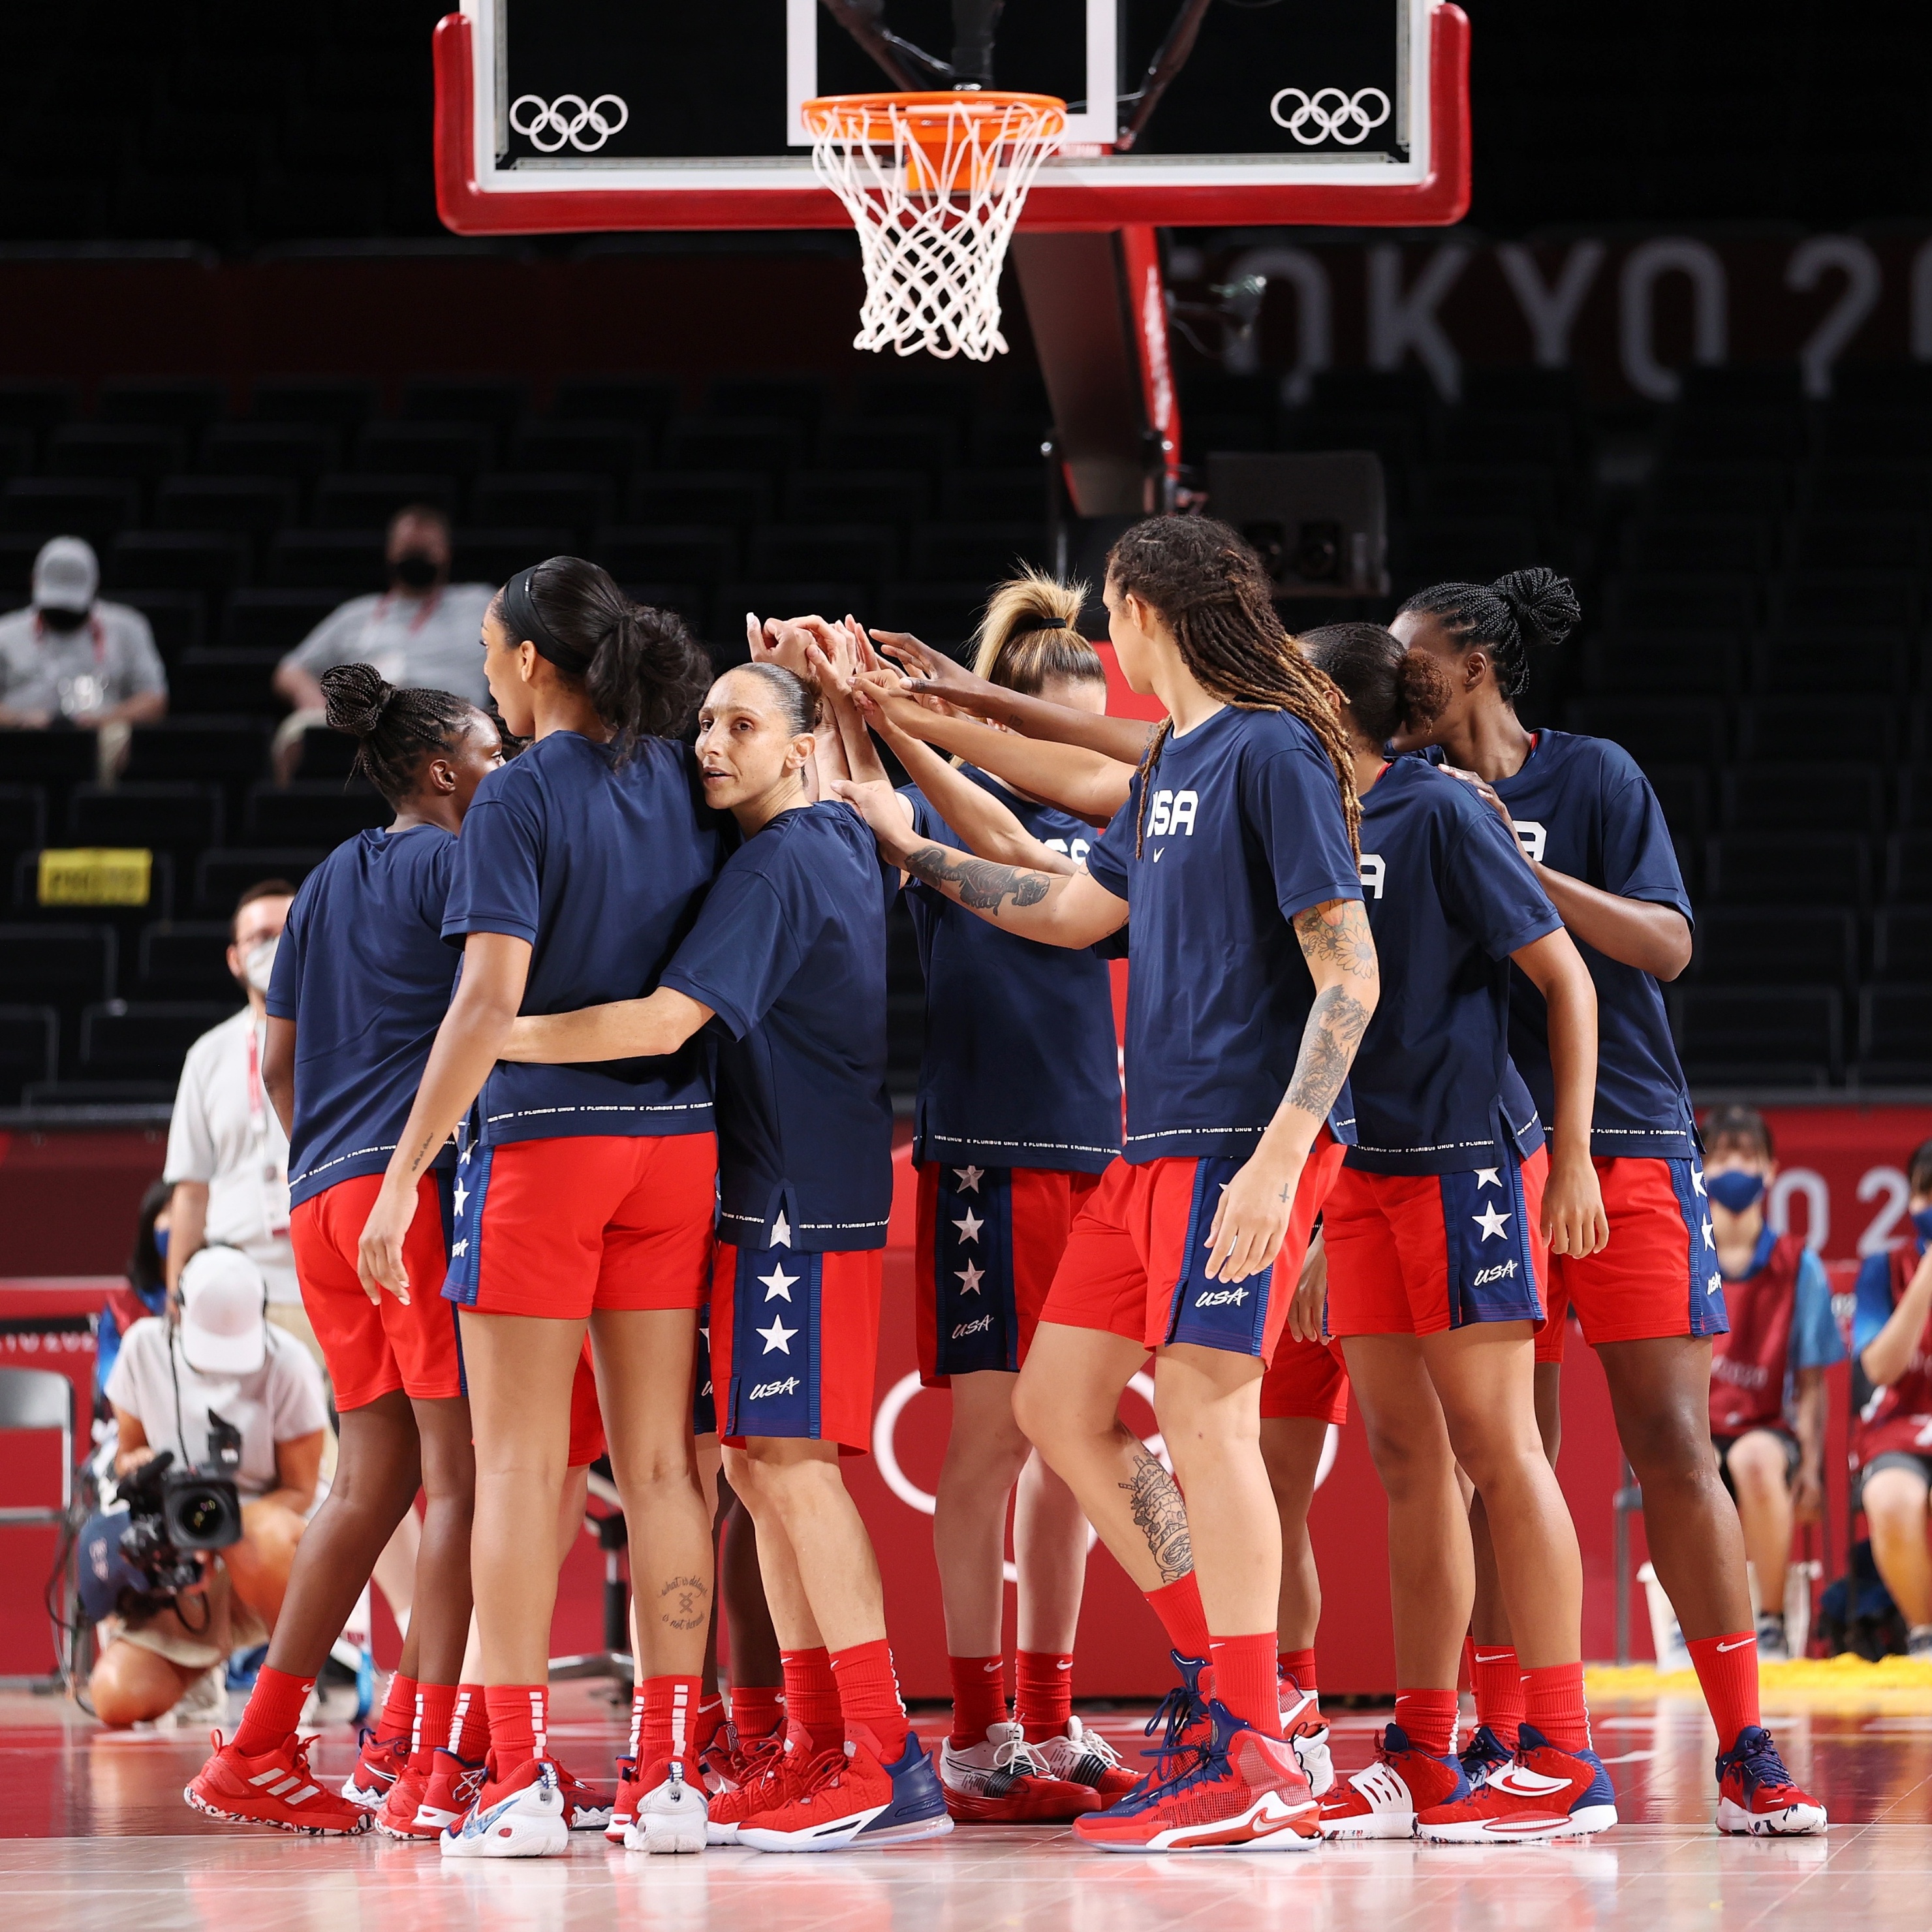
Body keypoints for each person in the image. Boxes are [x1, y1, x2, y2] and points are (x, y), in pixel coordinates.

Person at [838, 515, 1373, 1854]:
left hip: (1235, 1142)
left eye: (1108, 620)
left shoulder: (1271, 749)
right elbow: (1079, 914)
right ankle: (1240, 1695)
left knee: (1203, 1410)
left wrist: (1279, 1157)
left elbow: (1349, 973)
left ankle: (1252, 1741)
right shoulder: (1179, 764)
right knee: (1056, 1407)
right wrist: (910, 846)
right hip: (1152, 1150)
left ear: (1138, 616)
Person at [1390, 568, 1826, 1837]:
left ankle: (1745, 1745)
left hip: (1626, 1140)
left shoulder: (1591, 780)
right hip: (1481, 1156)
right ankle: (1506, 1732)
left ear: (1473, 663)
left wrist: (1510, 866)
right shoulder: (1402, 800)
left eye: (1412, 661)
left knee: (1674, 1448)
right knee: (1494, 1460)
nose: (1394, 684)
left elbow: (1666, 944)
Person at [495, 650, 953, 1854]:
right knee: (756, 1469)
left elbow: (662, 1021)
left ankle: (887, 1756)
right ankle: (815, 1745)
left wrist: (495, 1037)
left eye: (740, 724)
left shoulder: (787, 858)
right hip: (805, 1183)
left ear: (799, 750)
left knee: (791, 1468)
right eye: (704, 721)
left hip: (794, 1197)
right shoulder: (835, 839)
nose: (709, 741)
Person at [356, 557, 723, 1861]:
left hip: (547, 1148)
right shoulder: (687, 774)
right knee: (665, 1465)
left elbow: (484, 1003)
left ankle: (514, 1781)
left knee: (522, 1466)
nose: (482, 667)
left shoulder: (512, 798)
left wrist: (401, 1176)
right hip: (678, 1146)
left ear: (527, 662)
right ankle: (668, 1778)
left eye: (488, 647)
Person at [1282, 622, 1613, 1843]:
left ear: (1337, 701)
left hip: (1469, 1163)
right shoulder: (1311, 819)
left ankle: (1567, 1752)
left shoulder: (1441, 813)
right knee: (1404, 1461)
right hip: (1364, 1178)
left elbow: (1568, 981)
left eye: (1294, 679)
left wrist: (1571, 1157)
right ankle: (1424, 1751)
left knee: (1498, 1450)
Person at [185, 666, 508, 1839]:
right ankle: (426, 1762)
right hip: (403, 1195)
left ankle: (259, 1745)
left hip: (317, 1196)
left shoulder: (323, 882)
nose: (507, 764)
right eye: (492, 748)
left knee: (366, 1482)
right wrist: (400, 1169)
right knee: (461, 1480)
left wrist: (330, 1156)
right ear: (442, 771)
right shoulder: (464, 859)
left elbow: (273, 1064)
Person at [885, 575, 1136, 1820]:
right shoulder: (939, 815)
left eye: (1094, 724)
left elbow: (1044, 874)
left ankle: (1049, 1715)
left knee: (1080, 1447)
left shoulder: (1114, 831)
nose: (1076, 745)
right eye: (1053, 724)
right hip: (984, 1155)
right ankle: (977, 1732)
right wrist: (894, 717)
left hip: (1097, 1157)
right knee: (990, 1447)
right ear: (1001, 721)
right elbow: (978, 830)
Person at [86, 1247, 328, 1728]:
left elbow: (301, 1490)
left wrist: (221, 1540)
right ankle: (195, 1672)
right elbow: (127, 1453)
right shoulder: (142, 1347)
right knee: (114, 1699)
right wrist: (140, 1470)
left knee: (263, 1535)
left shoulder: (290, 1361)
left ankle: (294, 1681)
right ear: (175, 1308)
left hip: (263, 1553)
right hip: (181, 1561)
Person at [1702, 1104, 1844, 1662]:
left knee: (1756, 1461)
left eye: (1747, 1155)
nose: (1735, 1166)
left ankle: (1771, 1622)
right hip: (1698, 1430)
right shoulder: (1686, 1255)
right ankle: (1708, 1630)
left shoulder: (1798, 1263)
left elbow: (1812, 1384)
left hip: (1767, 1429)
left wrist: (1809, 1468)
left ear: (1771, 1170)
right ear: (1701, 1167)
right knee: (1696, 1469)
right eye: (1723, 1155)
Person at [272, 505, 494, 781]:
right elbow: (289, 671)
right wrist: (311, 699)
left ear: (446, 553)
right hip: (368, 738)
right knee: (297, 734)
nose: (416, 559)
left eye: (423, 552)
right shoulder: (357, 614)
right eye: (409, 551)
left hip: (452, 735)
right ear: (390, 553)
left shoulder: (480, 603)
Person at [164, 880, 302, 1320]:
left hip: (335, 1283)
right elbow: (191, 1190)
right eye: (261, 938)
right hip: (236, 1292)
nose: (276, 947)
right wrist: (177, 1295)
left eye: (289, 932)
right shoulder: (208, 1056)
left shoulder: (354, 1039)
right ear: (235, 959)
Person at [1850, 1136, 1932, 1659]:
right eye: (1927, 1194)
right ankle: (1926, 1635)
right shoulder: (1884, 1270)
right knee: (1891, 1499)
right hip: (1899, 1428)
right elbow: (1880, 1367)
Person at [0, 535, 167, 735]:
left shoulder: (128, 628)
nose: (63, 618)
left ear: (95, 586)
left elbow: (155, 700)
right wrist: (19, 720)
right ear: (33, 582)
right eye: (54, 609)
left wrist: (106, 720)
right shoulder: (5, 633)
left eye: (71, 610)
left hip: (103, 747)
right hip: (21, 750)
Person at [97, 1179, 172, 1412]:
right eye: (169, 1212)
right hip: (136, 1421)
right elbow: (110, 1383)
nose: (178, 1222)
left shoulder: (211, 1301)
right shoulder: (121, 1309)